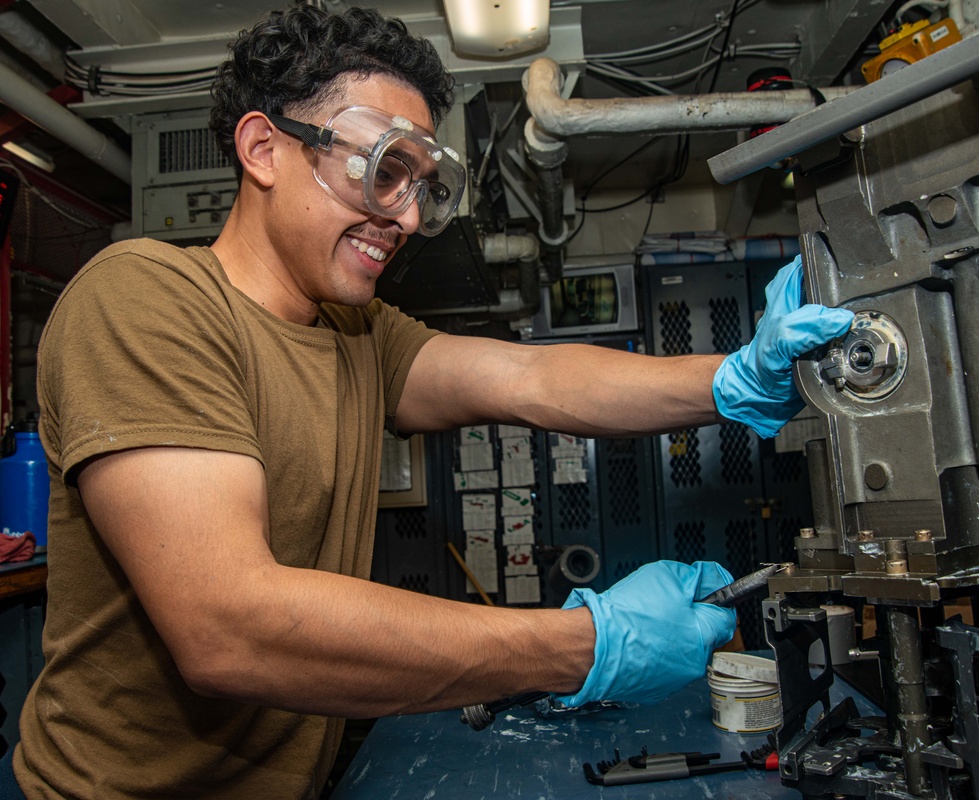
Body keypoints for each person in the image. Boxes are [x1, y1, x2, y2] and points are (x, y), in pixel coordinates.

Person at [4, 5, 854, 799]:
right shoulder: (147, 299)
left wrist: (735, 378)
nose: (406, 216)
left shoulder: (357, 331)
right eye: (383, 170)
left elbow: (529, 380)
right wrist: (580, 647)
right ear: (264, 149)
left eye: (422, 185)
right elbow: (229, 626)